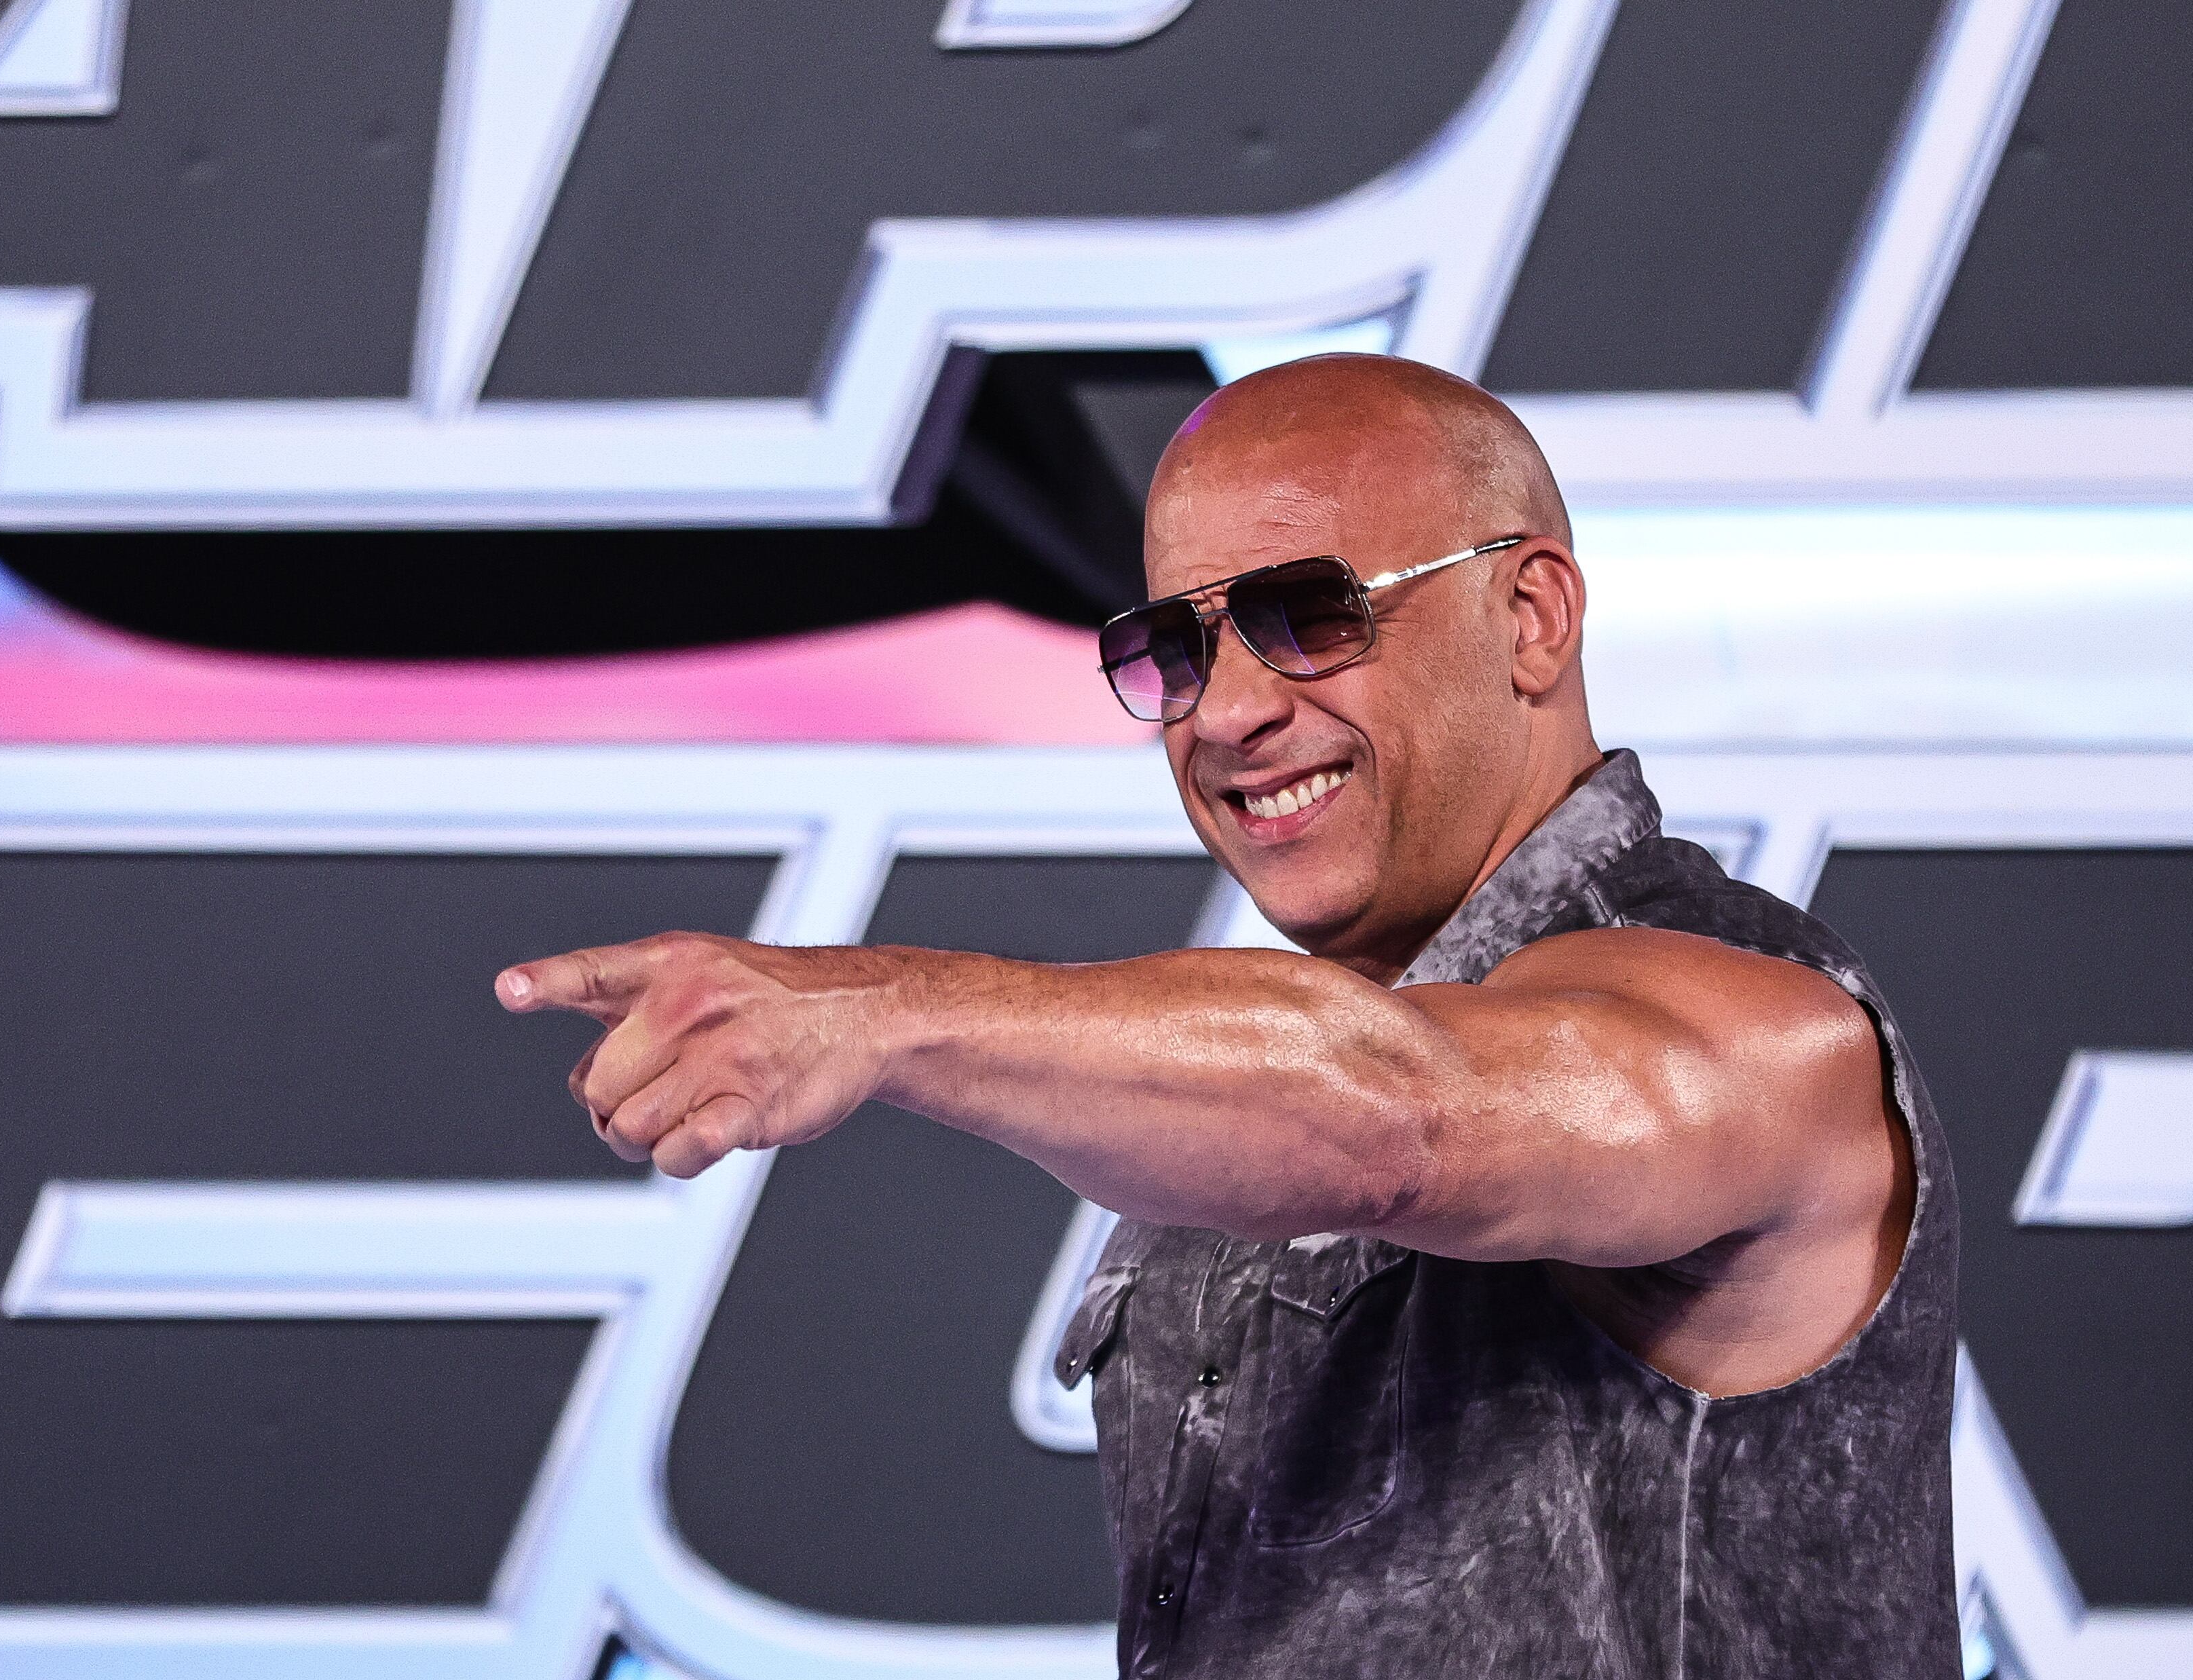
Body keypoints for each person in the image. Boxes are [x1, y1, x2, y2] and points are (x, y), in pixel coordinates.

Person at [497, 354, 1957, 1677]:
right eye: (1178, 650)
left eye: (1309, 616)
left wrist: (886, 1008)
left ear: (1529, 616)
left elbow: (1409, 1120)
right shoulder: (1238, 1068)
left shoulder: (1762, 1022)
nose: (1222, 712)